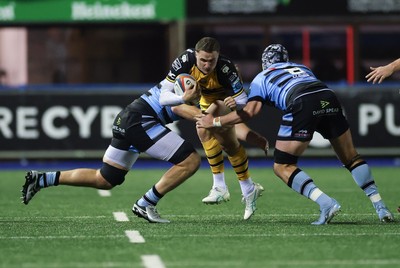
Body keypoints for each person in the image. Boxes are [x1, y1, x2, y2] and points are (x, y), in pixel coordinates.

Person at [196, 44, 395, 224]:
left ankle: (326, 203)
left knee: (282, 166)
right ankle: (381, 207)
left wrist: (214, 121)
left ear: (265, 62)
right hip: (328, 96)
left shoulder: (261, 77)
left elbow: (250, 112)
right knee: (351, 157)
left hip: (301, 102)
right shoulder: (302, 68)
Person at [21, 79, 202, 223]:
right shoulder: (185, 84)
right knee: (190, 160)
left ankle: (43, 179)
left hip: (128, 119)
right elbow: (180, 106)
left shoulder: (185, 77)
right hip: (140, 121)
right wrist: (216, 120)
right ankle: (146, 203)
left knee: (105, 179)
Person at [159, 37, 268, 220]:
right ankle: (247, 188)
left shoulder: (226, 68)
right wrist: (183, 97)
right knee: (227, 144)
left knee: (209, 120)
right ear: (196, 55)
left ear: (218, 57)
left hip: (223, 103)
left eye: (212, 60)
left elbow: (242, 101)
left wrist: (236, 102)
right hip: (204, 105)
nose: (208, 65)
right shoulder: (184, 61)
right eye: (203, 60)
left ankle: (220, 186)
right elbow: (163, 98)